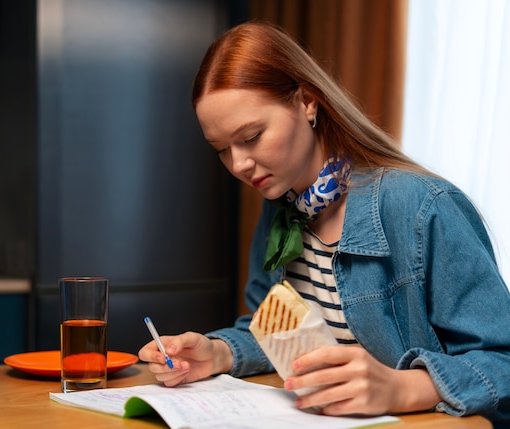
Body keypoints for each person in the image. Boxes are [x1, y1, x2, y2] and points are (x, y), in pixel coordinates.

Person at [138, 21, 510, 425]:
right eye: (222, 150)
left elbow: (501, 360)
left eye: (251, 136)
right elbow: (277, 333)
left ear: (307, 102)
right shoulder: (281, 206)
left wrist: (401, 388)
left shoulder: (421, 207)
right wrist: (218, 353)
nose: (239, 164)